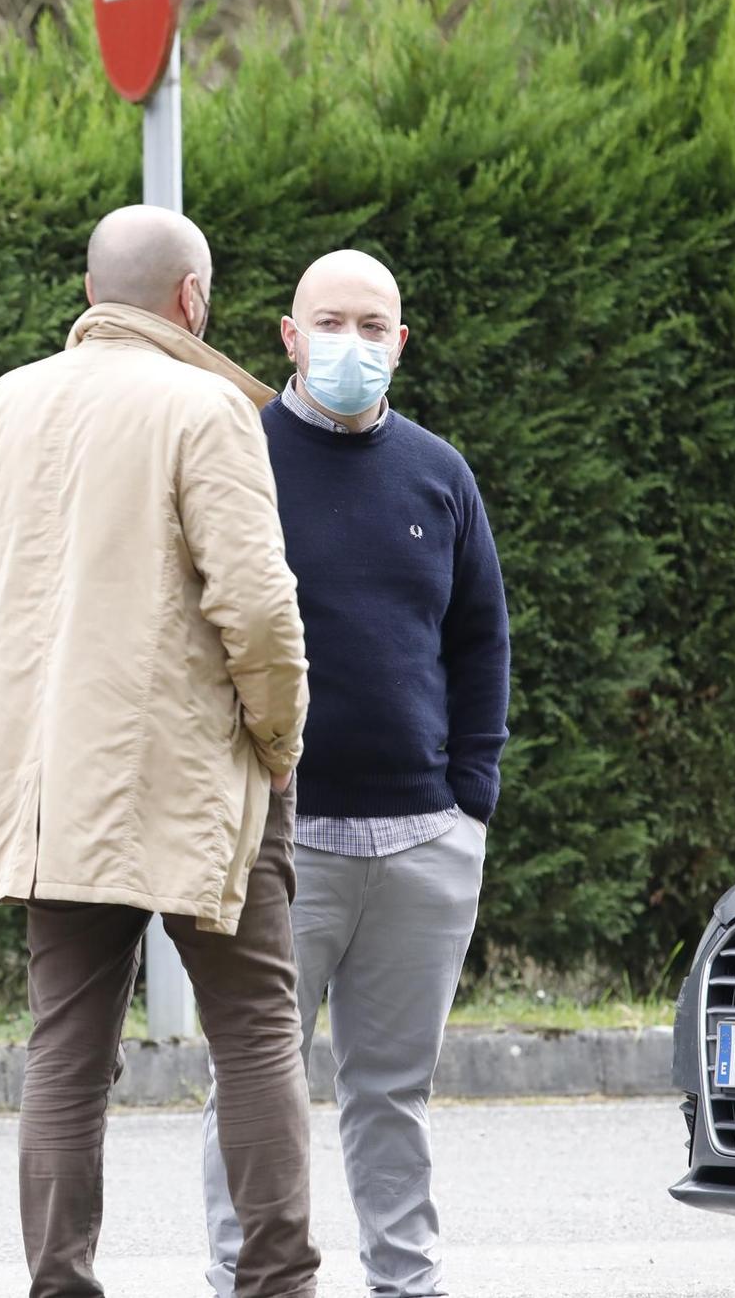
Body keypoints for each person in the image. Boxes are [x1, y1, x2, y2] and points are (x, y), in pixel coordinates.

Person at [0, 204, 316, 1298]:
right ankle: (274, 1282)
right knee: (255, 1030)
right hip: (190, 776)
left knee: (63, 1047)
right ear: (191, 300)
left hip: (45, 781)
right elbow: (256, 609)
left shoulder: (2, 405)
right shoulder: (207, 407)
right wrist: (278, 738)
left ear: (86, 290)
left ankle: (58, 1283)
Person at [201, 250, 510, 1298]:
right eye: (328, 321)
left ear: (399, 344)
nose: (350, 343)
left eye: (371, 326)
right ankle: (246, 1274)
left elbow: (479, 641)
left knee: (392, 1090)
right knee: (255, 1081)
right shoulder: (233, 457)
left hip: (422, 840)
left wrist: (469, 799)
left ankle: (404, 1280)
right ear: (286, 335)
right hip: (282, 839)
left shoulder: (438, 473)